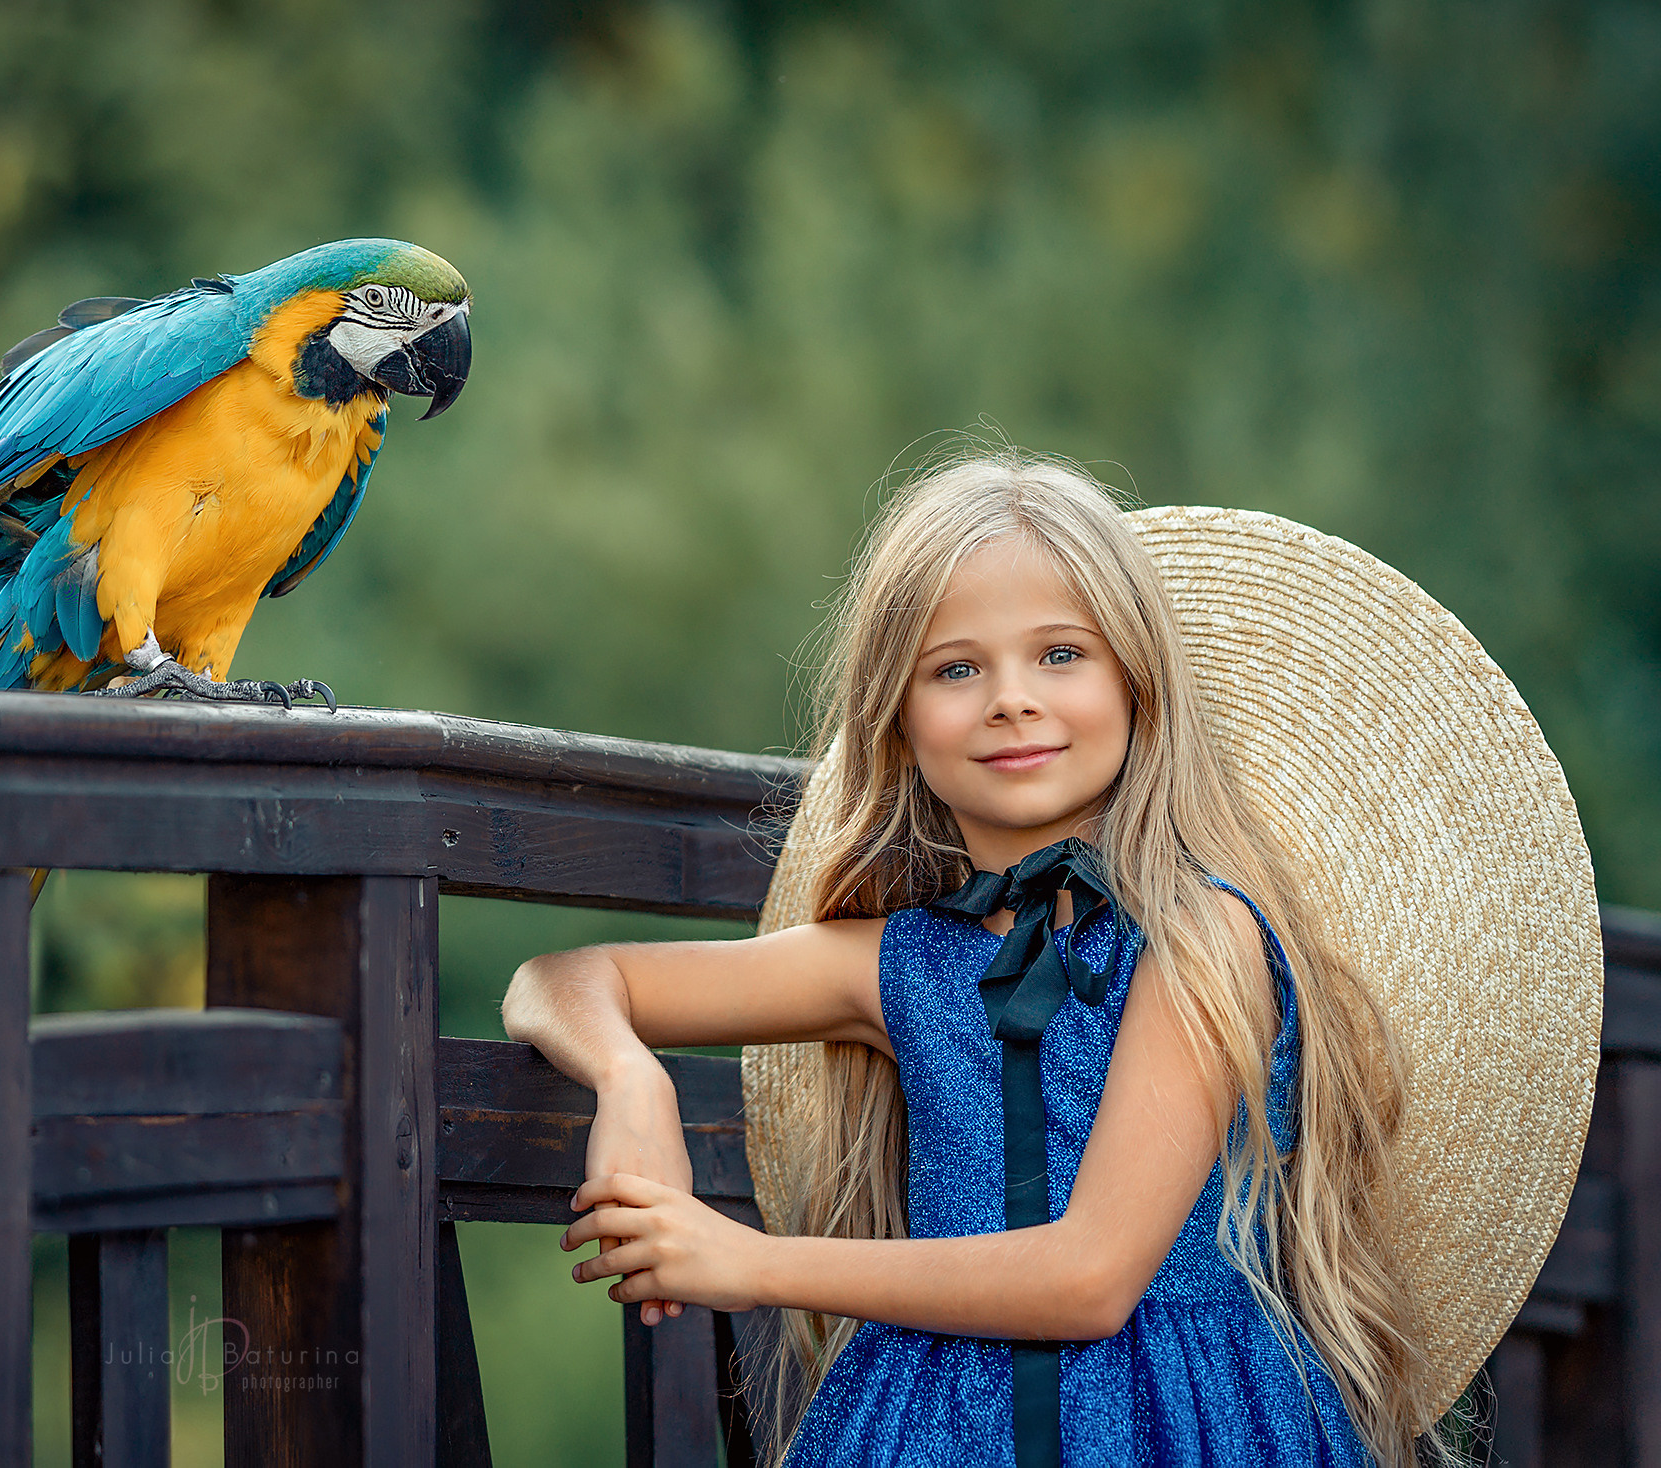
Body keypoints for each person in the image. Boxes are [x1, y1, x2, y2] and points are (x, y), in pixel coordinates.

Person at [500, 450, 1437, 1466]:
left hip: (1182, 1426)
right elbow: (558, 982)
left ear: (1138, 685)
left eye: (1060, 655)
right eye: (955, 668)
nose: (1009, 699)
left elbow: (1091, 1277)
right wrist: (628, 1074)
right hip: (928, 1427)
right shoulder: (896, 964)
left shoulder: (1200, 940)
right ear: (898, 724)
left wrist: (754, 1263)